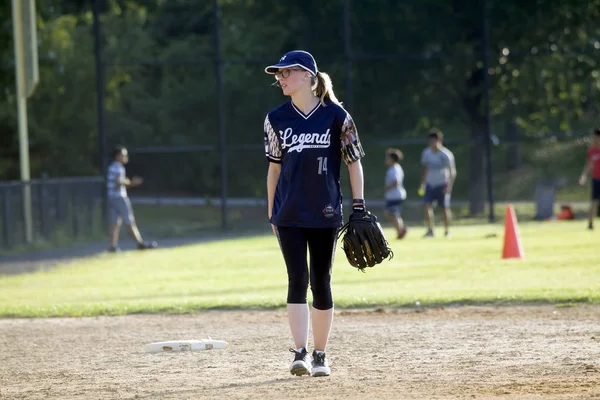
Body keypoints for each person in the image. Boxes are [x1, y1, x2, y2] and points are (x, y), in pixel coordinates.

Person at [264, 50, 366, 377]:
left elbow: (354, 162)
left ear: (307, 75)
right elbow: (274, 170)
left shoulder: (337, 117)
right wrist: (271, 213)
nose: (280, 78)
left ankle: (321, 354)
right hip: (289, 213)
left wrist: (359, 205)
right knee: (297, 279)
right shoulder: (276, 118)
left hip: (325, 211)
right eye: (278, 74)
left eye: (286, 73)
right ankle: (300, 353)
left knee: (321, 282)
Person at [106, 145, 157, 252]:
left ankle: (113, 246)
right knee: (129, 221)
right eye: (124, 154)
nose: (126, 156)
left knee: (115, 223)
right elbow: (118, 182)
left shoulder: (111, 167)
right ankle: (140, 244)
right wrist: (132, 183)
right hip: (119, 198)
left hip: (111, 198)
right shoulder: (118, 168)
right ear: (118, 156)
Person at [419, 129, 456, 238]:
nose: (432, 143)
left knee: (444, 208)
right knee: (427, 206)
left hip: (442, 184)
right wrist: (423, 183)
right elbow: (425, 169)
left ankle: (447, 231)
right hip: (430, 184)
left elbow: (452, 171)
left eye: (434, 141)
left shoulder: (446, 154)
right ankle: (430, 230)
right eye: (430, 141)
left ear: (439, 140)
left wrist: (449, 186)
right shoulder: (426, 153)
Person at [578, 128, 600, 230]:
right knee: (594, 202)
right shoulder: (592, 151)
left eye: (595, 137)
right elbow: (589, 164)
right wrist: (584, 175)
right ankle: (590, 224)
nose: (594, 139)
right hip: (596, 179)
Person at [383, 148, 407, 239]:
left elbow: (396, 181)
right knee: (389, 213)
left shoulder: (394, 169)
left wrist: (388, 187)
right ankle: (401, 230)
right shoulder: (393, 168)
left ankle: (400, 231)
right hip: (393, 195)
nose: (386, 160)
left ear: (392, 159)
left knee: (393, 214)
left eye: (388, 158)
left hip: (395, 195)